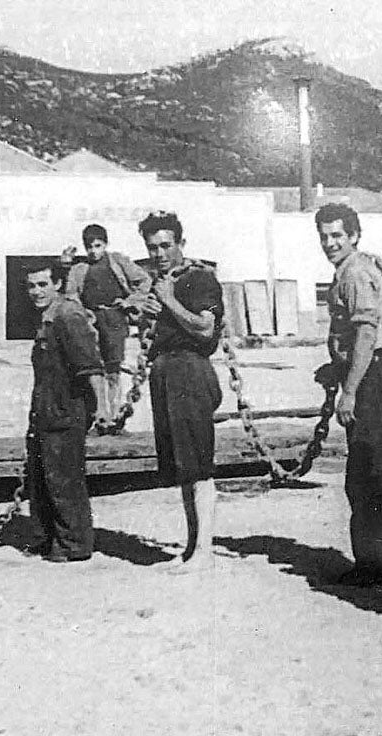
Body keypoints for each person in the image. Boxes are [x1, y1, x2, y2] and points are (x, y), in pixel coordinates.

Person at [314, 203, 382, 586]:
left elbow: (367, 335)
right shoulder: (357, 267)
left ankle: (375, 565)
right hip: (371, 373)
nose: (329, 243)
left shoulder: (354, 272)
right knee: (377, 470)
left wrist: (349, 391)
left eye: (337, 235)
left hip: (369, 380)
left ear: (353, 235)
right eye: (323, 236)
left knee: (367, 474)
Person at [137, 211, 224, 573]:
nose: (158, 253)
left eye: (165, 245)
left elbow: (205, 330)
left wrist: (169, 302)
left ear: (181, 244)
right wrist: (147, 314)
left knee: (199, 465)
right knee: (183, 466)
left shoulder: (199, 278)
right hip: (166, 372)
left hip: (190, 371)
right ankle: (191, 548)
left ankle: (205, 552)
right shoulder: (163, 282)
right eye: (152, 247)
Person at [22, 261, 103, 563]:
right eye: (31, 286)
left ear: (57, 284)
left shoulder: (68, 315)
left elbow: (91, 367)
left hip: (66, 409)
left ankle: (74, 545)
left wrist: (103, 409)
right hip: (47, 409)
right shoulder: (48, 317)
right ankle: (48, 538)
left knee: (64, 479)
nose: (36, 291)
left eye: (43, 284)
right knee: (44, 477)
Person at [62, 223, 151, 428]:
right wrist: (83, 313)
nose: (93, 251)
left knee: (113, 368)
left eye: (98, 245)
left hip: (114, 319)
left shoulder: (118, 261)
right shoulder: (79, 269)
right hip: (90, 322)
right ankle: (100, 413)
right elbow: (71, 295)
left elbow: (144, 280)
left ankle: (114, 412)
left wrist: (130, 302)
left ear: (105, 243)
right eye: (89, 247)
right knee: (94, 368)